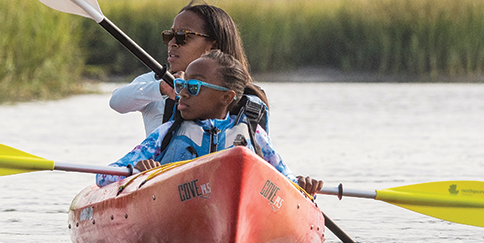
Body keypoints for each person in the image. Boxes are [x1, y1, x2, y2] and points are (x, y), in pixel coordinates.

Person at [97, 50, 322, 196]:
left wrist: (303, 187)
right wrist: (137, 172)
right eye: (182, 85)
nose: (183, 93)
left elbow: (286, 181)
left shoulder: (254, 135)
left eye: (194, 87)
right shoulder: (166, 133)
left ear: (226, 97)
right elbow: (104, 176)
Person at [109, 1, 267, 135]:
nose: (172, 43)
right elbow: (117, 102)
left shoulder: (247, 98)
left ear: (213, 46)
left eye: (182, 36)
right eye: (169, 35)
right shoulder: (155, 81)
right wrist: (162, 88)